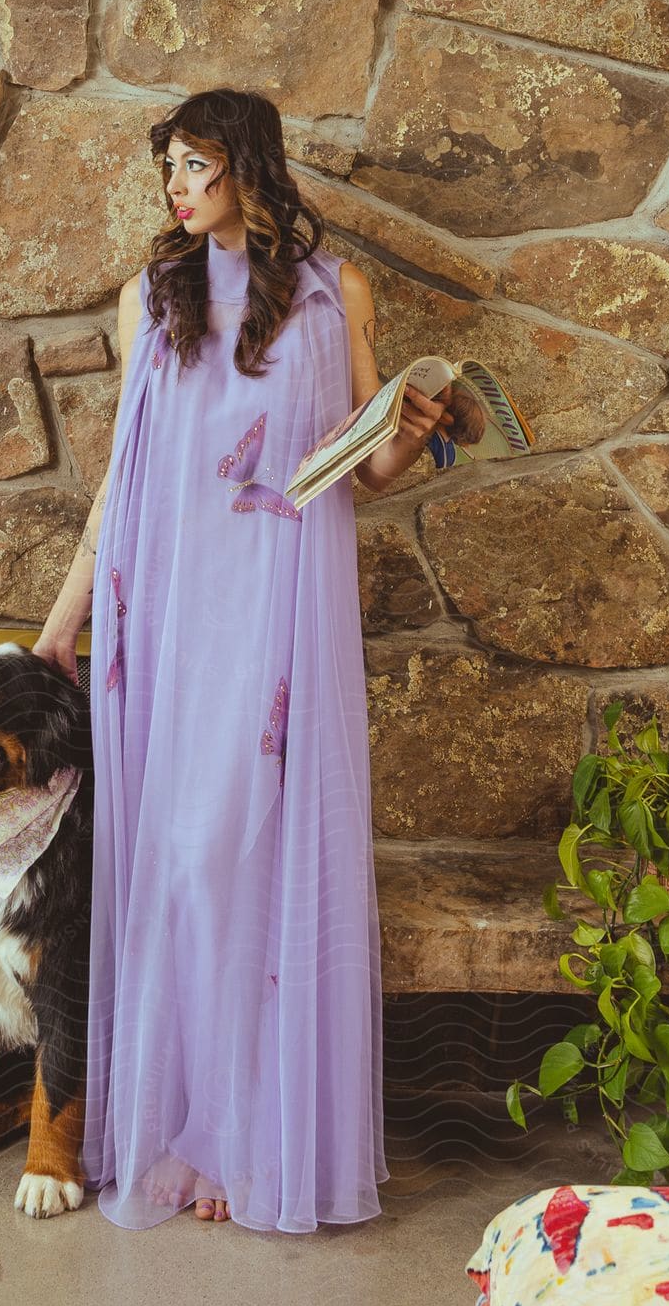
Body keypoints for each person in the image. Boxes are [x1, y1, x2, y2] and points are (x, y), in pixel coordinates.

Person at [33, 88, 452, 1233]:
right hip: (168, 615)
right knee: (176, 858)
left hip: (276, 613)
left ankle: (242, 1139)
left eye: (196, 163)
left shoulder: (334, 294)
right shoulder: (150, 298)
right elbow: (123, 480)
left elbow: (363, 470)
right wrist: (64, 622)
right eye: (168, 165)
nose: (176, 184)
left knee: (254, 858)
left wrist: (408, 435)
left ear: (250, 165)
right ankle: (181, 1128)